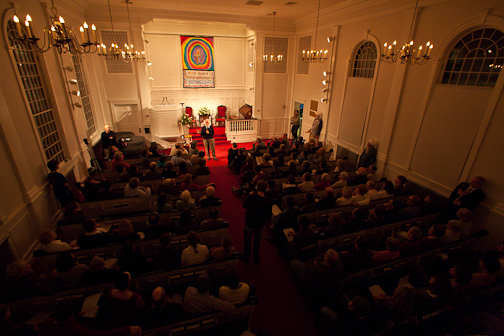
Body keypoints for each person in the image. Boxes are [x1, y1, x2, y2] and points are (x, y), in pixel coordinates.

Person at [242, 180, 272, 264]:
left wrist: (249, 195)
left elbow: (244, 205)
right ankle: (256, 257)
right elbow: (268, 216)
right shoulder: (268, 201)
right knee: (257, 241)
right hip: (260, 225)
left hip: (249, 223)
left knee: (247, 241)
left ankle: (247, 257)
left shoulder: (251, 197)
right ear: (266, 189)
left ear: (256, 188)